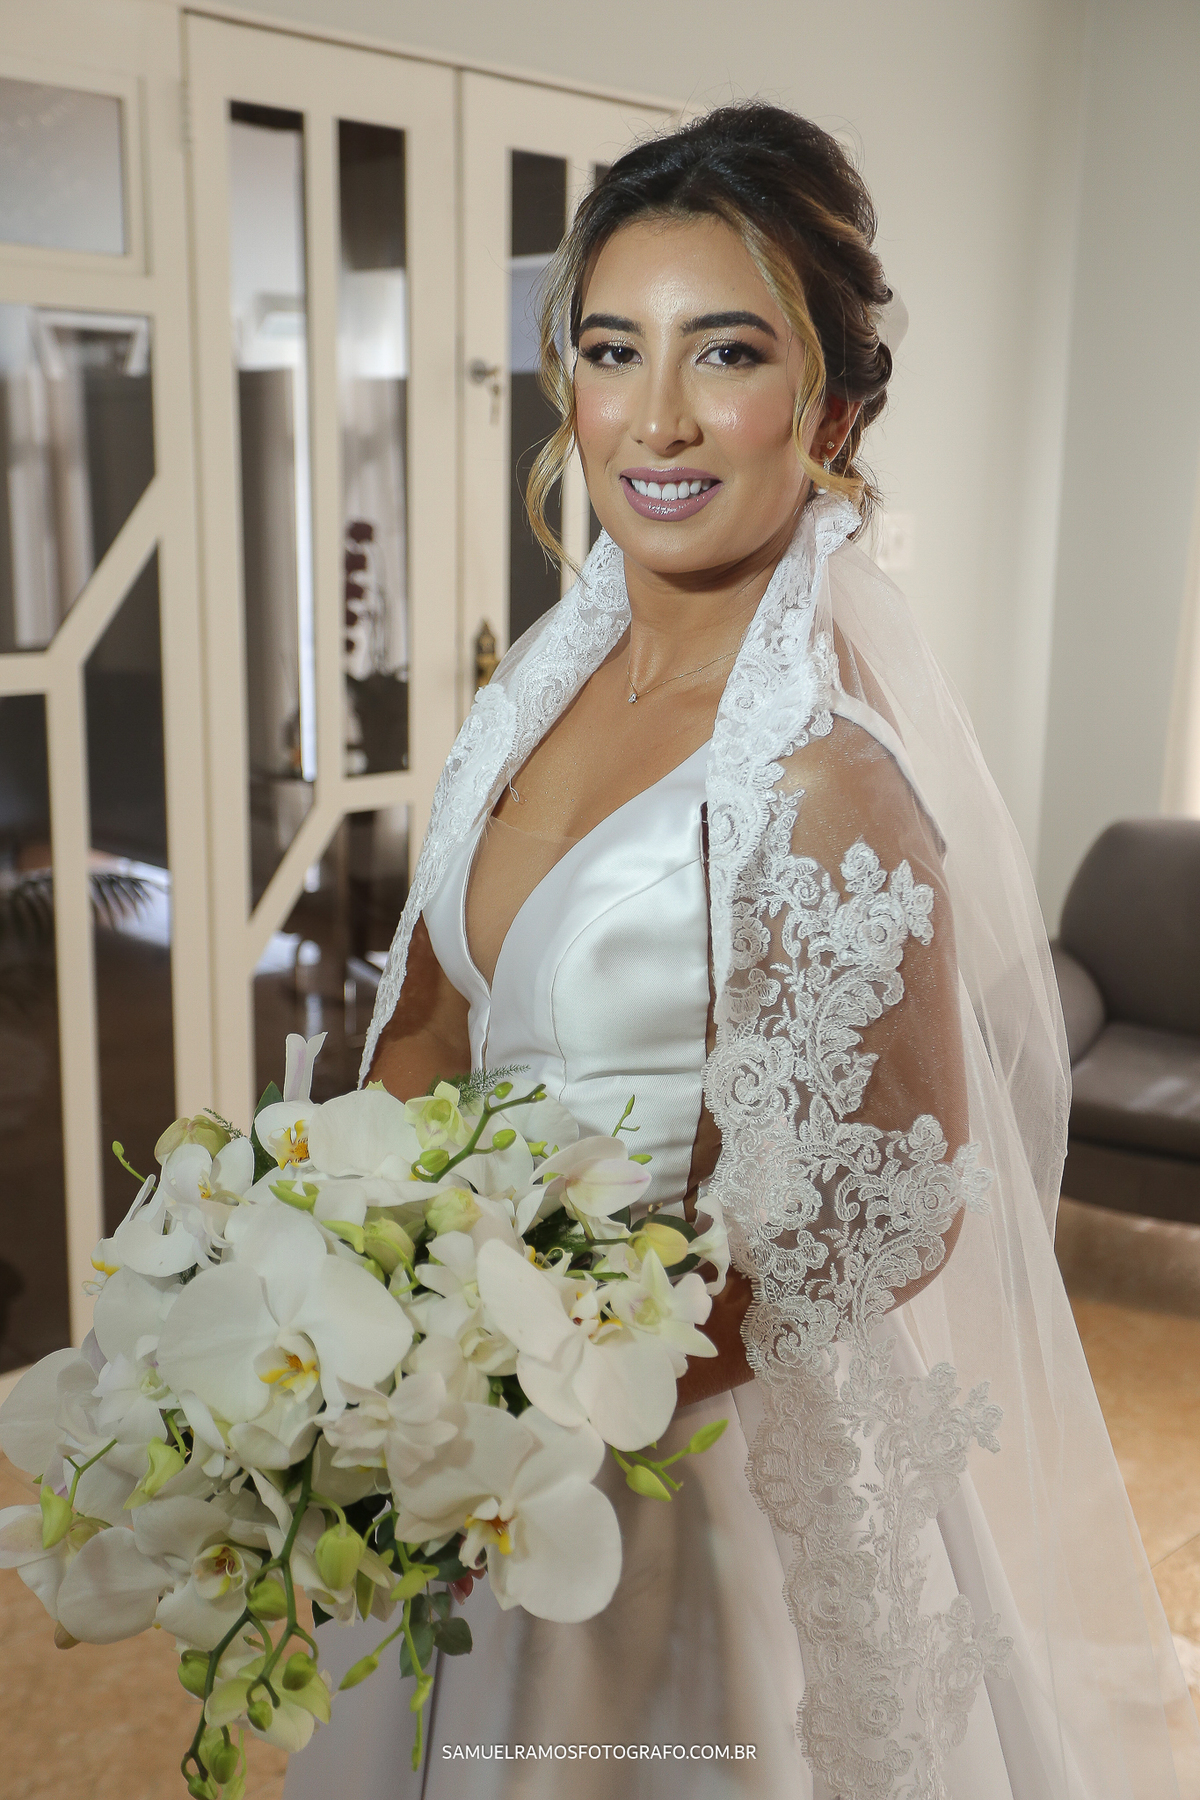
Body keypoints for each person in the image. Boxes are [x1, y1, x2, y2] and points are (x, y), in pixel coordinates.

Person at [286, 104, 1199, 1798]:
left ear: (829, 410)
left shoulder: (828, 778)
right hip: (472, 1433)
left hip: (676, 1471)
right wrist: (364, 1308)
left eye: (727, 353)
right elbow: (424, 1028)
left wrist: (542, 1389)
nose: (657, 416)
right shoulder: (532, 692)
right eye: (612, 351)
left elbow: (888, 1213)